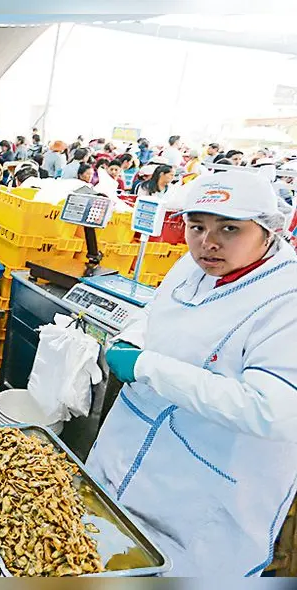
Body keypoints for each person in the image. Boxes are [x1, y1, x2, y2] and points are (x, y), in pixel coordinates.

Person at [85, 172, 297, 577]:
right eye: (196, 226)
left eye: (229, 228)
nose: (208, 242)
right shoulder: (192, 265)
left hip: (204, 490)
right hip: (125, 456)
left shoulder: (286, 300)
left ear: (269, 230)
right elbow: (158, 315)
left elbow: (273, 410)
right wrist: (130, 340)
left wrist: (147, 367)